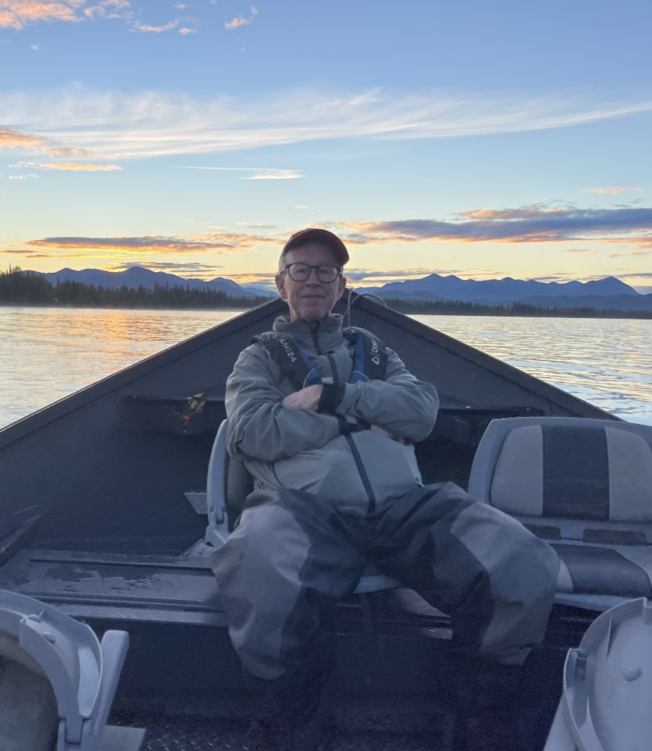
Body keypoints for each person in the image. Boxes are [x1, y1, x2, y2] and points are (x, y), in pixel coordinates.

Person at [211, 228, 561, 751]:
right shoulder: (259, 359)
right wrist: (359, 419)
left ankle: (480, 705)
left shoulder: (372, 352)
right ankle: (292, 715)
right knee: (259, 564)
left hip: (405, 506)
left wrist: (330, 398)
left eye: (325, 271)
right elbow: (252, 433)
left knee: (519, 559)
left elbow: (420, 412)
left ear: (341, 285)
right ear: (280, 284)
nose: (313, 279)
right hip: (303, 508)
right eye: (299, 269)